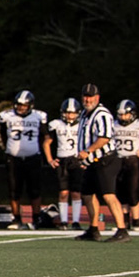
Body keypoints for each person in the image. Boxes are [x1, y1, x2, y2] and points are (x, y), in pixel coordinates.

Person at [76, 83, 128, 241]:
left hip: (106, 159)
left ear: (97, 98)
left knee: (108, 195)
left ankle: (122, 230)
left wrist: (88, 151)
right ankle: (94, 228)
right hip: (92, 160)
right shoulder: (84, 114)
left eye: (91, 96)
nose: (87, 99)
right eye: (85, 96)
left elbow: (104, 138)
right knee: (87, 194)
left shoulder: (102, 114)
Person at [0, 89, 47, 229]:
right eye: (19, 105)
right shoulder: (7, 116)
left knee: (35, 190)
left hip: (33, 157)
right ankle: (16, 219)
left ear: (30, 105)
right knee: (14, 190)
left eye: (24, 105)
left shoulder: (39, 116)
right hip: (13, 159)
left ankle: (36, 218)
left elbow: (44, 136)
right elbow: (3, 136)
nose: (21, 108)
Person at [110, 99, 139, 230]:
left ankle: (136, 220)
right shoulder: (113, 125)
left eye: (126, 114)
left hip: (133, 161)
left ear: (132, 114)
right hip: (118, 160)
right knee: (120, 192)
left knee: (132, 191)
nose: (123, 117)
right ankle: (124, 221)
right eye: (121, 114)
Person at [44, 97, 85, 229]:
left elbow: (88, 143)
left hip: (76, 160)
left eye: (72, 113)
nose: (70, 115)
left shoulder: (83, 124)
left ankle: (76, 221)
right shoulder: (56, 124)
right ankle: (63, 221)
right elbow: (46, 143)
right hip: (62, 160)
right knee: (63, 193)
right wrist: (50, 159)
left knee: (76, 193)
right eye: (68, 112)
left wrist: (86, 159)